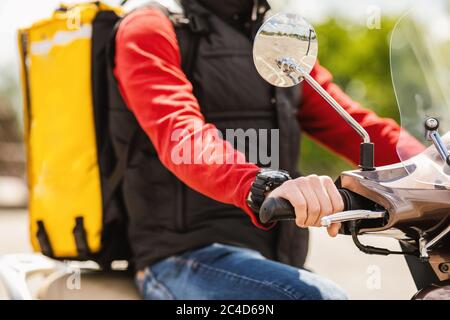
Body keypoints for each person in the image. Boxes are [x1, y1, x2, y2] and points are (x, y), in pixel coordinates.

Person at [111, 0, 423, 300]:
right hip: (181, 256)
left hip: (269, 258)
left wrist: (431, 164)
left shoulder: (275, 40)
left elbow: (355, 124)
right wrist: (261, 185)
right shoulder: (150, 27)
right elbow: (180, 135)